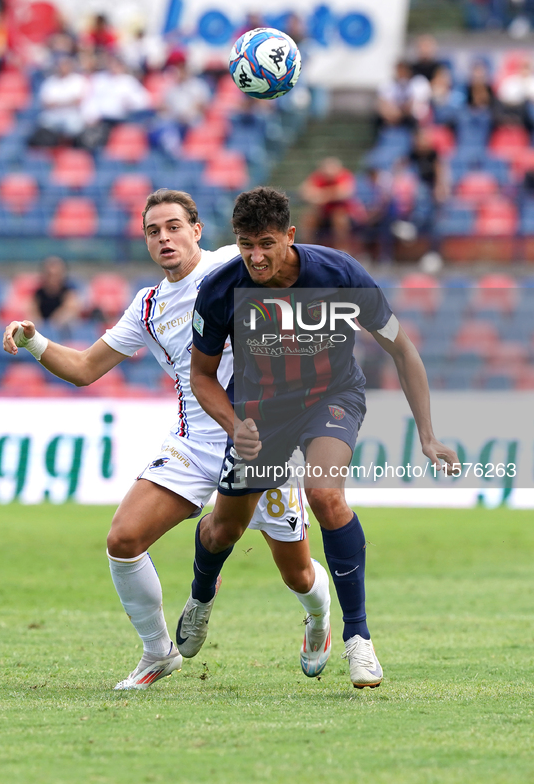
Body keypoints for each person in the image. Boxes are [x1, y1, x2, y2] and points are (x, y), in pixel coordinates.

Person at [2, 189, 332, 690]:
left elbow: (296, 272)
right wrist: (33, 340)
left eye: (174, 226)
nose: (165, 238)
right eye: (154, 231)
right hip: (195, 443)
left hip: (263, 442)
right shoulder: (149, 305)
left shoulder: (235, 264)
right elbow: (86, 368)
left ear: (197, 230)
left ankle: (319, 617)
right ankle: (158, 652)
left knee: (298, 574)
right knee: (123, 539)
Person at [179, 187, 460, 688]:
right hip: (259, 411)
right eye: (245, 244)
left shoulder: (340, 274)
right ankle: (201, 596)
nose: (256, 256)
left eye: (266, 243)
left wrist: (429, 436)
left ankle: (359, 640)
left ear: (290, 236)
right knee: (224, 530)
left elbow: (403, 350)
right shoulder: (221, 289)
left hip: (331, 396)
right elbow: (200, 376)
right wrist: (233, 425)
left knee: (325, 494)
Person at [25, 256, 81, 331]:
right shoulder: (37, 294)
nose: (53, 279)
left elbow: (70, 311)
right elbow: (32, 314)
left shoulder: (68, 293)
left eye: (56, 275)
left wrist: (54, 323)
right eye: (50, 275)